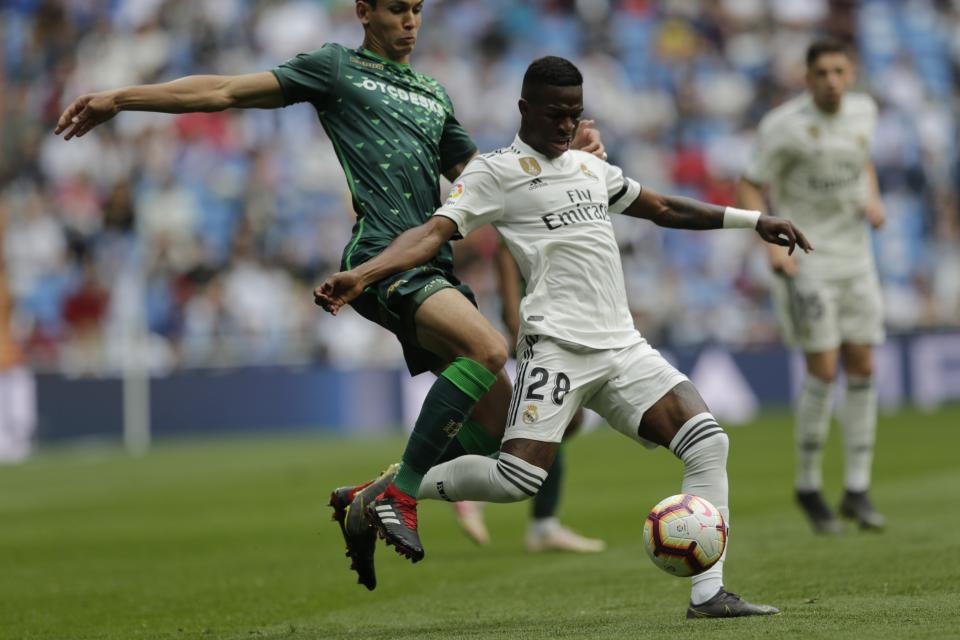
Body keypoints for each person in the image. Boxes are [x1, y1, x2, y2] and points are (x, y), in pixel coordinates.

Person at [55, 0, 604, 589]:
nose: (412, 20)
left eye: (418, 9)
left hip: (432, 267)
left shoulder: (433, 94)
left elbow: (489, 182)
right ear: (364, 12)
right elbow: (224, 91)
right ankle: (401, 495)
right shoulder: (336, 68)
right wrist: (120, 98)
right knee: (489, 348)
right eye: (398, 9)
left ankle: (370, 499)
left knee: (500, 430)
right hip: (381, 260)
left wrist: (564, 158)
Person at [317, 56, 811, 617]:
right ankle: (380, 495)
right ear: (524, 109)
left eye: (574, 115)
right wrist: (363, 274)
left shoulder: (589, 167)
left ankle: (708, 592)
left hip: (622, 347)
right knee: (515, 480)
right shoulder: (494, 172)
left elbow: (665, 207)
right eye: (555, 113)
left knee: (708, 442)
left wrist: (751, 220)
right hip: (556, 349)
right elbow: (433, 234)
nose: (565, 125)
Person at [736, 38, 886, 535]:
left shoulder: (865, 112)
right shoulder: (783, 127)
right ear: (807, 77)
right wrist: (773, 249)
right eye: (821, 72)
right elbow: (750, 183)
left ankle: (858, 490)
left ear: (851, 73)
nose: (831, 80)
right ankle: (808, 485)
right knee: (823, 370)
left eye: (839, 71)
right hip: (810, 261)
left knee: (863, 364)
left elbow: (861, 158)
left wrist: (873, 199)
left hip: (857, 259)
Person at [452, 243, 605, 553]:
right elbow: (506, 261)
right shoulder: (520, 220)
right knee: (559, 419)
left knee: (556, 423)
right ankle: (481, 491)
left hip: (554, 326)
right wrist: (520, 329)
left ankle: (541, 523)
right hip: (538, 331)